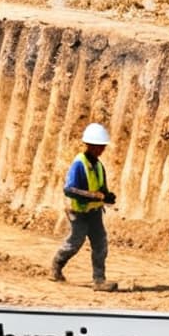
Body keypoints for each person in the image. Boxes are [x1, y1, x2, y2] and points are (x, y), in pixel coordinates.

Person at [51, 123, 118, 291]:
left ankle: (99, 280)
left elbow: (101, 188)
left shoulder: (98, 166)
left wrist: (107, 196)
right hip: (78, 212)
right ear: (88, 145)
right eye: (97, 146)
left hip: (94, 213)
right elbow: (69, 190)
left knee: (100, 244)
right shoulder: (79, 164)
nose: (100, 150)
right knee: (75, 242)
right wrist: (95, 196)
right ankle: (56, 266)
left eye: (102, 147)